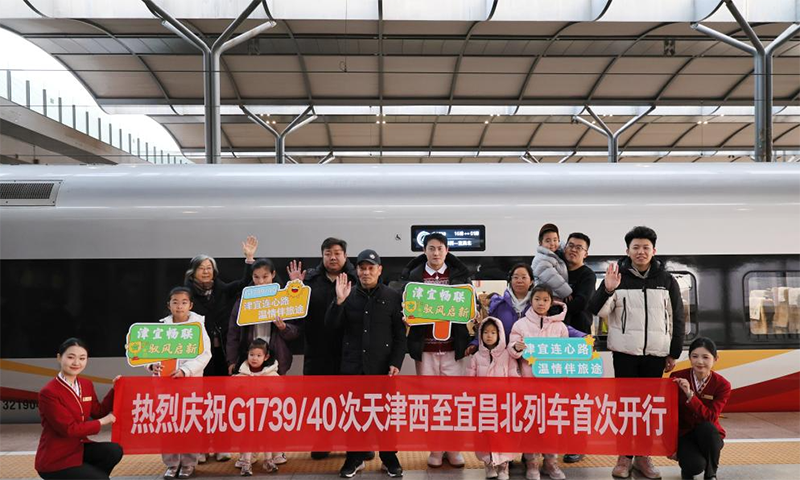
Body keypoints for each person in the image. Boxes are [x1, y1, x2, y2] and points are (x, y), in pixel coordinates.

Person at [587, 226, 685, 480]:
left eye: (645, 247)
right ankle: (624, 456)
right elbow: (596, 310)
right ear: (627, 250)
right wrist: (608, 289)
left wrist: (673, 352)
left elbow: (677, 317)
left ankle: (643, 456)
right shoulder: (617, 278)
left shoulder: (666, 280)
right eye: (636, 247)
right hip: (625, 354)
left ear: (654, 250)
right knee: (625, 408)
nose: (641, 252)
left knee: (648, 408)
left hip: (656, 354)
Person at [325, 249, 406, 478]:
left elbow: (400, 336)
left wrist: (396, 362)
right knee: (354, 416)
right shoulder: (347, 294)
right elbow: (331, 328)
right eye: (362, 268)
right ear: (357, 270)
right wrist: (339, 302)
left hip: (383, 369)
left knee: (385, 416)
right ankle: (355, 458)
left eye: (371, 268)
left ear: (379, 270)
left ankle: (389, 458)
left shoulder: (392, 296)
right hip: (353, 368)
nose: (366, 272)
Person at [398, 232, 472, 468]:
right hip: (426, 350)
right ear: (424, 251)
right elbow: (405, 308)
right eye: (431, 248)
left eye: (440, 248)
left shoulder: (460, 276)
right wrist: (407, 317)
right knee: (430, 402)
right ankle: (435, 450)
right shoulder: (413, 278)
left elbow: (469, 308)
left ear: (447, 251)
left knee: (455, 402)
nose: (436, 253)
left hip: (453, 350)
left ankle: (454, 449)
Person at [287, 237, 356, 460]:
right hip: (317, 351)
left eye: (337, 253)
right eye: (328, 253)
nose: (332, 257)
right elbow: (295, 314)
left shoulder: (356, 278)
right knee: (320, 400)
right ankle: (322, 441)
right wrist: (295, 288)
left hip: (349, 351)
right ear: (322, 255)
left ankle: (356, 445)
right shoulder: (309, 279)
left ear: (345, 255)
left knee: (352, 400)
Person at [35, 338, 122, 480]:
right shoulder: (49, 392)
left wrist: (115, 389)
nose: (76, 363)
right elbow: (70, 429)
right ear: (59, 358)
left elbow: (98, 411)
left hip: (78, 449)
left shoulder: (86, 384)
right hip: (56, 459)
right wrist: (103, 422)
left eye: (82, 358)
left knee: (114, 451)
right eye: (71, 357)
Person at [150, 287, 212, 479]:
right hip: (165, 384)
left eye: (184, 302)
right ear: (168, 305)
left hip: (190, 383)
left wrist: (185, 370)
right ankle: (171, 464)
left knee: (189, 424)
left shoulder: (198, 327)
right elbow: (149, 353)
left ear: (190, 305)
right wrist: (151, 365)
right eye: (175, 302)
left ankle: (188, 464)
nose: (179, 306)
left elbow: (205, 354)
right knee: (168, 424)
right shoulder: (161, 327)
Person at [508, 285, 567, 480]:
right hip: (529, 384)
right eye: (537, 299)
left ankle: (551, 463)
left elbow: (566, 354)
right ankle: (531, 463)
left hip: (553, 386)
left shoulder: (560, 327)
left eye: (545, 300)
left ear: (551, 303)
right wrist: (516, 347)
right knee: (530, 424)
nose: (541, 303)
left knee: (552, 426)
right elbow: (511, 350)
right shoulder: (520, 325)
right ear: (531, 301)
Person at [226, 258, 299, 376]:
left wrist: (284, 327)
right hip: (247, 359)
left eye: (265, 277)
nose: (261, 282)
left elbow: (295, 332)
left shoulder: (284, 299)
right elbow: (233, 333)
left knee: (274, 387)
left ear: (273, 274)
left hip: (276, 359)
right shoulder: (243, 301)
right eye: (256, 277)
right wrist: (232, 360)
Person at [670, 337, 731, 480]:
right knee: (695, 465)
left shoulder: (722, 385)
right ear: (689, 358)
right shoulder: (677, 377)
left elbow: (711, 417)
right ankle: (687, 469)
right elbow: (668, 412)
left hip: (709, 435)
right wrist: (669, 445)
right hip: (684, 433)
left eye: (705, 357)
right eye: (694, 356)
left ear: (715, 359)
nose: (699, 361)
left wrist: (690, 395)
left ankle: (711, 474)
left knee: (707, 427)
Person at [467, 318, 519, 480]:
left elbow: (514, 377)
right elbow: (469, 381)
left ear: (500, 334)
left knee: (504, 434)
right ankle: (489, 463)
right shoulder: (476, 357)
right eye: (485, 332)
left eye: (493, 332)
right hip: (483, 404)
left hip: (503, 403)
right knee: (485, 434)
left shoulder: (507, 356)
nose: (489, 336)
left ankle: (503, 465)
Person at [560, 232, 597, 464]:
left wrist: (554, 306)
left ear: (586, 253)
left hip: (579, 342)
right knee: (553, 396)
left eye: (579, 247)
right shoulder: (556, 270)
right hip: (552, 343)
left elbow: (581, 303)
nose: (573, 249)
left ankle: (577, 444)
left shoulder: (587, 275)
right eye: (570, 245)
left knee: (577, 398)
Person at [235, 339, 281, 476]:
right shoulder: (241, 375)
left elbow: (280, 390)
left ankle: (268, 460)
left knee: (267, 436)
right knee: (247, 437)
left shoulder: (272, 374)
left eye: (258, 355)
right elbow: (232, 390)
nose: (254, 358)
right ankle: (246, 462)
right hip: (247, 415)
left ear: (266, 357)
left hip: (266, 414)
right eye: (251, 355)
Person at [465, 263, 533, 357]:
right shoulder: (499, 305)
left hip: (531, 357)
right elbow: (488, 327)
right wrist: (475, 343)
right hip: (503, 357)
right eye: (515, 277)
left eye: (524, 277)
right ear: (510, 280)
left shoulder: (537, 306)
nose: (519, 281)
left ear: (531, 281)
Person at [531, 223, 572, 300]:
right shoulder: (541, 259)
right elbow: (552, 277)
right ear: (540, 243)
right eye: (548, 241)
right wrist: (567, 292)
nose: (552, 243)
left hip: (553, 295)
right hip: (546, 298)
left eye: (555, 240)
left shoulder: (556, 254)